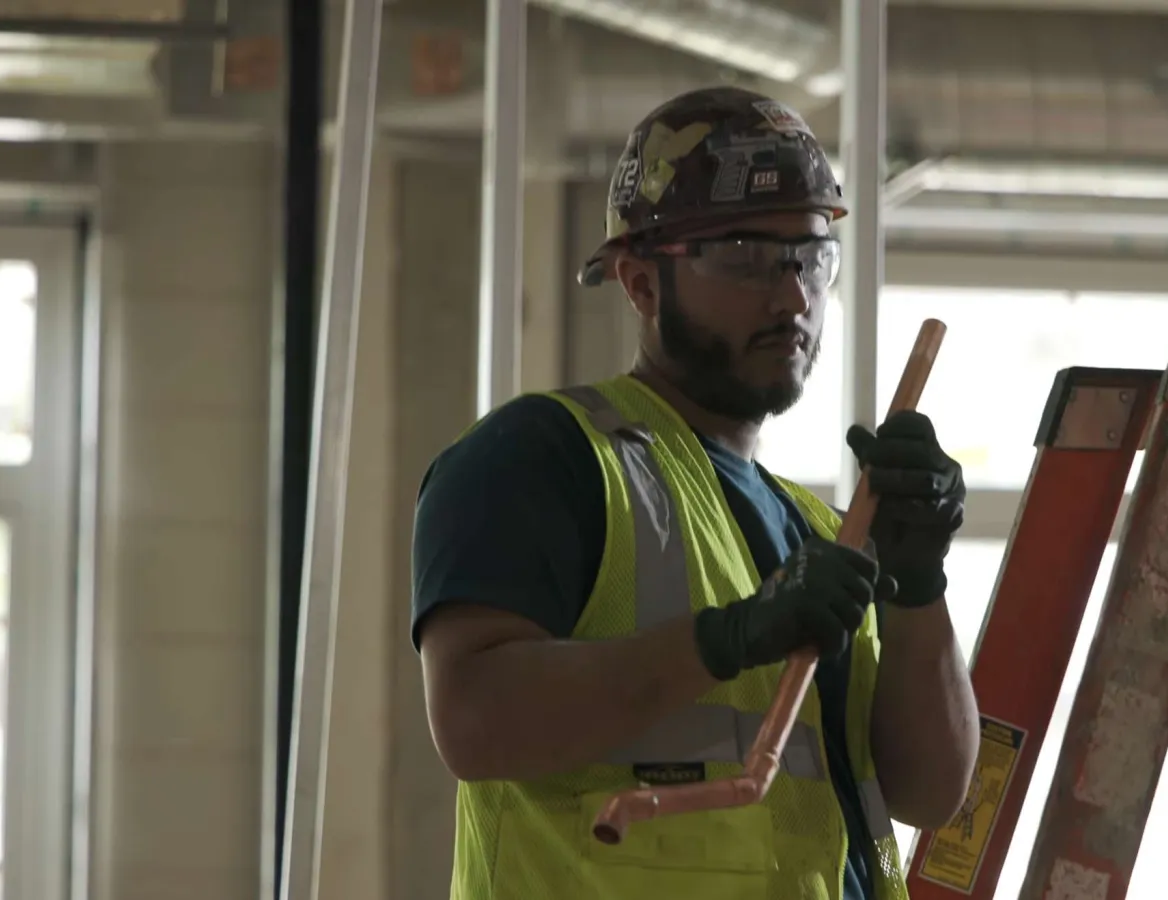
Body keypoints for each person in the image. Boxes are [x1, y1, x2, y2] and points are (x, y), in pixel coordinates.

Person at [412, 85, 980, 900]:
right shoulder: (546, 456)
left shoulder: (820, 527)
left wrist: (919, 588)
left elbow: (930, 793)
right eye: (746, 258)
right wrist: (731, 637)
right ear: (640, 283)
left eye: (811, 257)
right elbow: (473, 720)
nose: (792, 297)